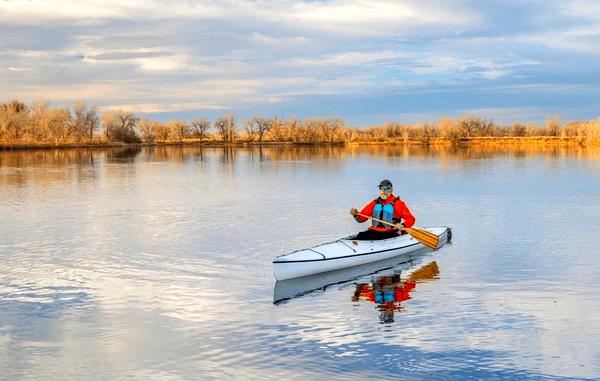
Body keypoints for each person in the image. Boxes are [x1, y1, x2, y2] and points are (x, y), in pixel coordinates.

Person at [349, 179, 415, 241]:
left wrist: (403, 225)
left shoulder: (398, 203)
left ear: (391, 190)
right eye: (381, 188)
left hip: (391, 232)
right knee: (361, 235)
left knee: (378, 237)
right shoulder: (374, 203)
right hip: (375, 231)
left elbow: (411, 219)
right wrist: (355, 214)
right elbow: (361, 219)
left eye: (386, 188)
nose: (383, 191)